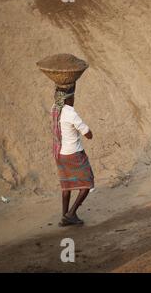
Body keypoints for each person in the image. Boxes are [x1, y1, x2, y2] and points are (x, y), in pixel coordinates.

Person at [51, 84, 94, 227]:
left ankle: (64, 217)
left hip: (60, 154)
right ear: (69, 99)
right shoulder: (70, 112)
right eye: (73, 96)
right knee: (87, 183)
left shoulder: (55, 109)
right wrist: (88, 133)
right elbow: (87, 133)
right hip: (74, 154)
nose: (74, 99)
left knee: (67, 186)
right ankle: (71, 214)